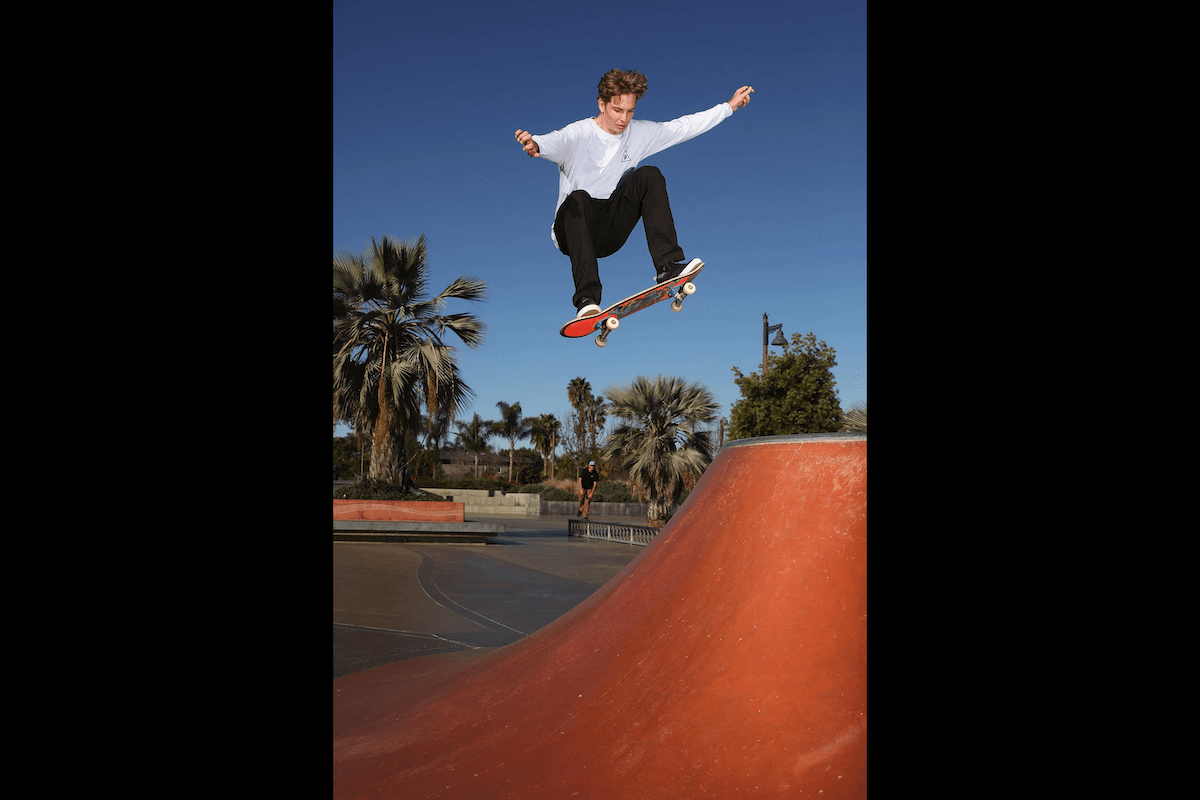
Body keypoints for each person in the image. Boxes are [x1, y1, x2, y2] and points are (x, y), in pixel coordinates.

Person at [515, 69, 754, 318]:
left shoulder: (639, 133)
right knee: (579, 198)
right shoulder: (580, 133)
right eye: (617, 110)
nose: (623, 119)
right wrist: (537, 144)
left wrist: (729, 107)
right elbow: (557, 141)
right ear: (602, 104)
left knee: (649, 175)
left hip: (608, 232)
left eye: (630, 111)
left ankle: (668, 267)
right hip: (572, 230)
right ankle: (587, 299)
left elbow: (683, 127)